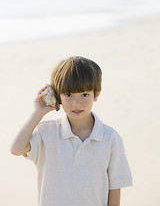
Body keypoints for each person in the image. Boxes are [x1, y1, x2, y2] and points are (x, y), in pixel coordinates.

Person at [10, 56, 132, 206]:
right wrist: (38, 113)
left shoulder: (110, 138)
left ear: (97, 94)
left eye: (84, 94)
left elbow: (114, 187)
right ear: (58, 96)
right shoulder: (47, 132)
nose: (76, 103)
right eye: (68, 95)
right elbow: (16, 149)